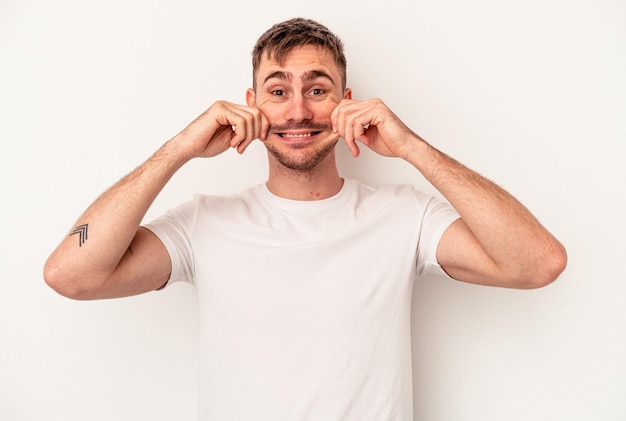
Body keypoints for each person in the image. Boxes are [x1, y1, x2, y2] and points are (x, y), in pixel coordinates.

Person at [44, 17, 567, 421]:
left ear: (347, 103)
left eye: (317, 90)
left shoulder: (405, 216)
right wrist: (179, 149)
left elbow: (538, 263)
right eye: (278, 91)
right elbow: (71, 275)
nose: (298, 111)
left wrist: (412, 148)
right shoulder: (204, 223)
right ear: (250, 105)